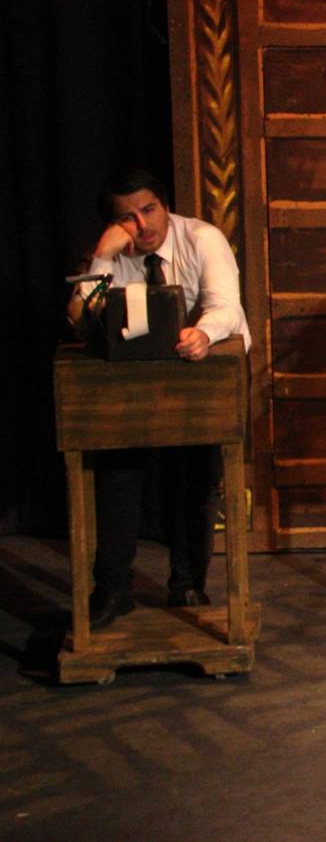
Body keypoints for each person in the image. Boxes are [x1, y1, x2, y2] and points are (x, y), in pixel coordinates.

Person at [66, 168, 251, 630]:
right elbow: (81, 322)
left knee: (196, 475)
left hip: (198, 372)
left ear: (165, 206)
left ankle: (188, 584)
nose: (142, 224)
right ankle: (113, 589)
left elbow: (226, 306)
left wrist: (203, 334)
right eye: (126, 217)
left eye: (149, 210)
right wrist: (102, 258)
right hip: (133, 381)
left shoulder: (201, 239)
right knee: (118, 472)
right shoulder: (110, 252)